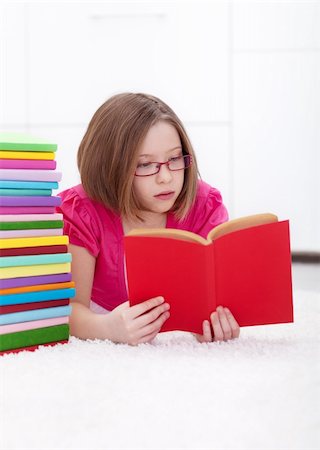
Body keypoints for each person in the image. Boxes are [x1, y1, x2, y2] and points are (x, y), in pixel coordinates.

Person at [56, 92, 240, 345]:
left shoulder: (205, 204)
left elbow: (219, 298)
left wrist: (214, 321)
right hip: (106, 318)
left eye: (175, 158)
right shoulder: (81, 212)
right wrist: (107, 328)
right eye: (145, 164)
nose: (165, 177)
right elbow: (68, 309)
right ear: (109, 168)